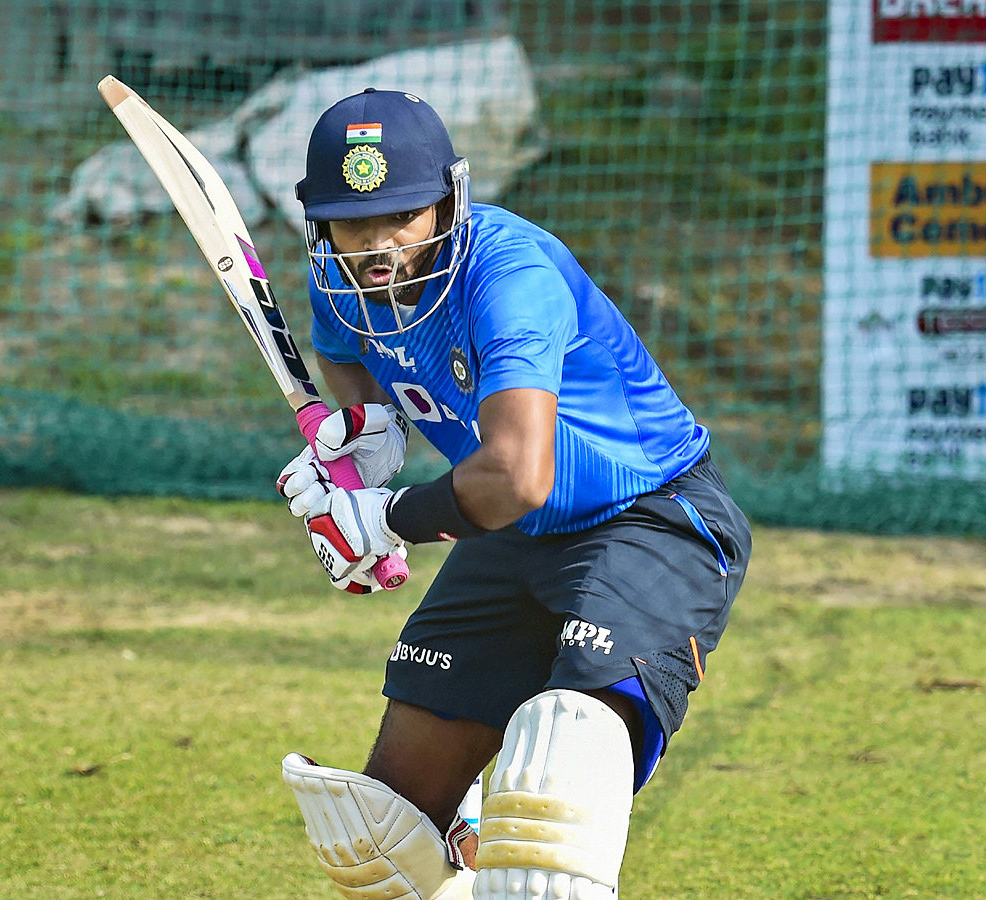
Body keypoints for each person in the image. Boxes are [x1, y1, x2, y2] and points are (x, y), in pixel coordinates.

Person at [276, 87, 751, 900]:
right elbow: (344, 357)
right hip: (517, 538)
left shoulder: (509, 274)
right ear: (322, 223)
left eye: (403, 215)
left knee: (555, 789)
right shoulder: (341, 281)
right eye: (354, 224)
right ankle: (458, 843)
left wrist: (386, 519)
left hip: (650, 520)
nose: (378, 244)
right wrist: (367, 436)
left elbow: (516, 477)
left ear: (448, 200)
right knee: (380, 845)